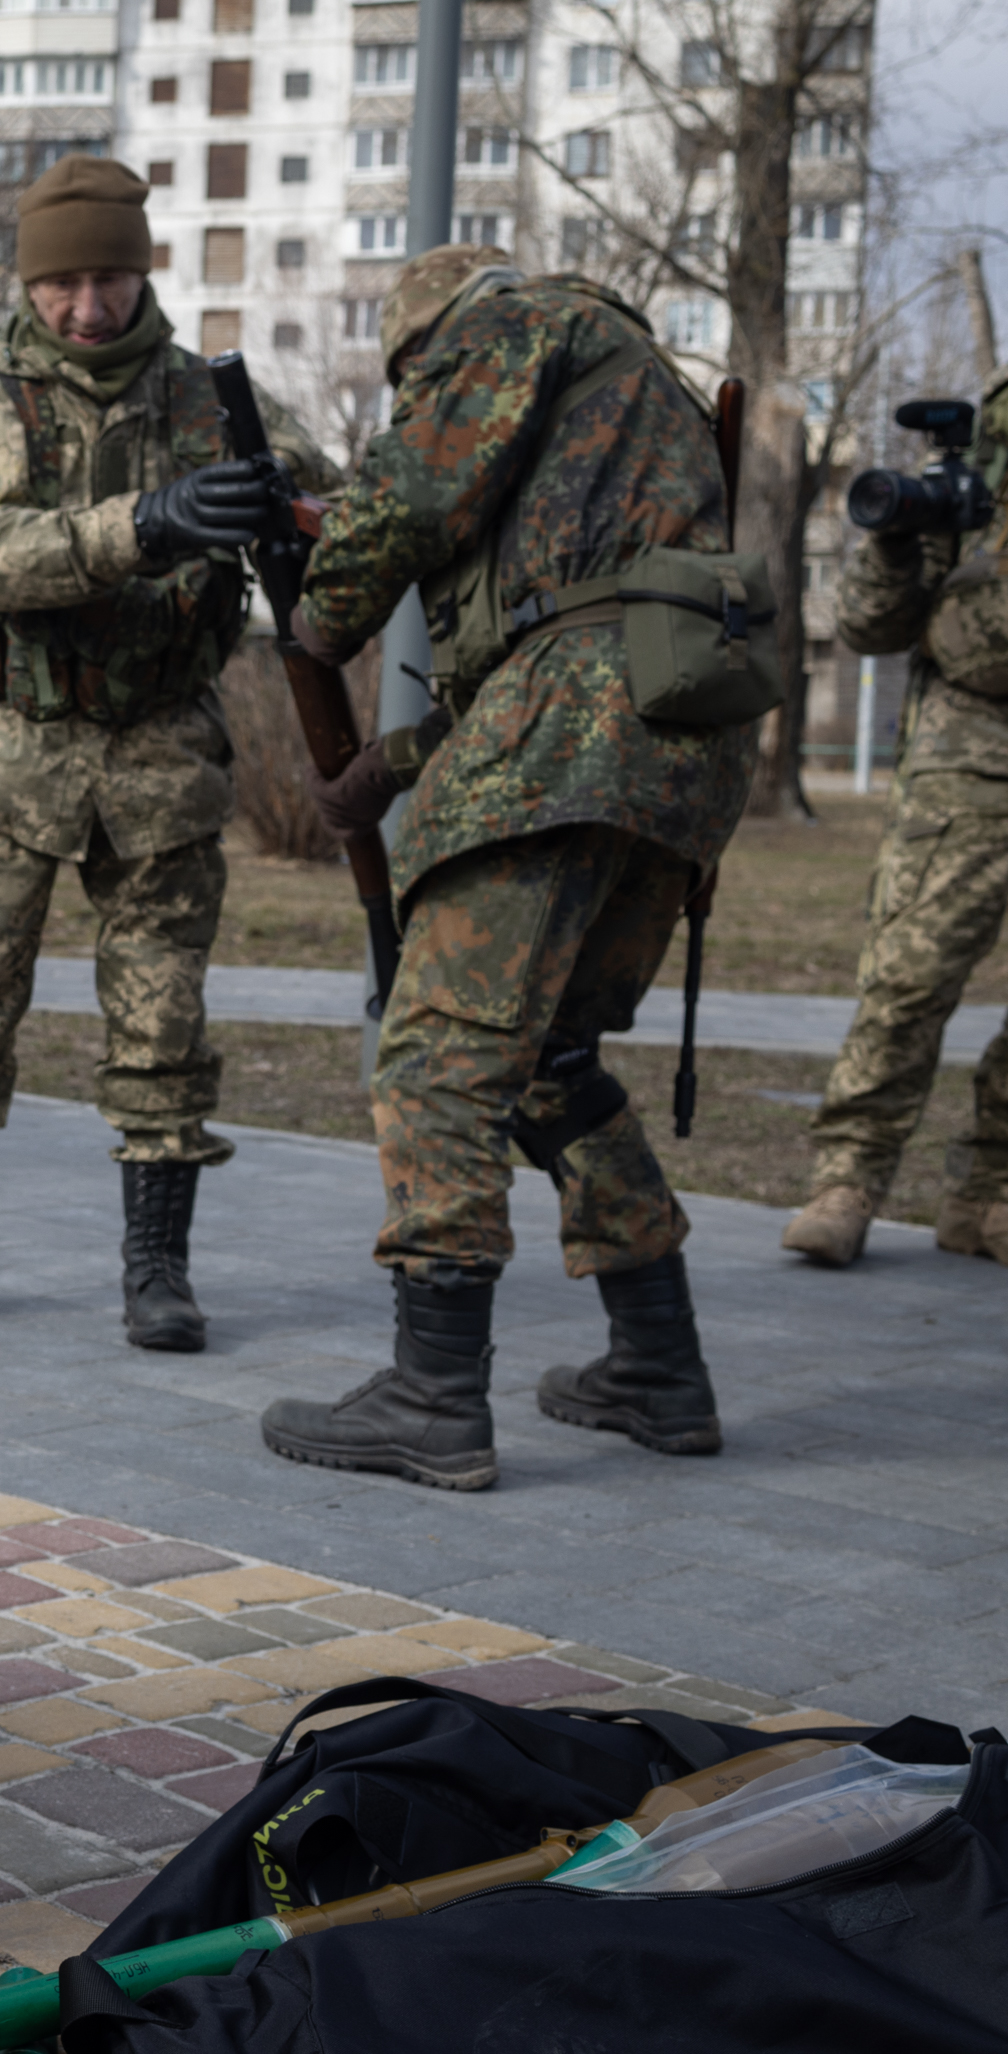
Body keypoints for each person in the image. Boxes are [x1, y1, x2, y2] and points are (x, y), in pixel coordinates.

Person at [258, 244, 760, 1492]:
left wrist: (315, 614)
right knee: (551, 1062)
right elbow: (561, 640)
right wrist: (385, 764)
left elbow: (411, 498)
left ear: (425, 344)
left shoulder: (507, 325)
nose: (414, 399)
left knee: (435, 1050)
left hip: (577, 730)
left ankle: (430, 1396)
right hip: (679, 743)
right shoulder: (639, 394)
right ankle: (659, 1366)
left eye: (406, 382)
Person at [0, 155, 336, 1349]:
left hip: (162, 752)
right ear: (31, 283)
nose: (85, 307)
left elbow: (328, 506)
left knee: (160, 1022)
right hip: (6, 754)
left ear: (142, 271)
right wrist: (152, 522)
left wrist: (293, 507)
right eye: (62, 282)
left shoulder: (206, 398)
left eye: (108, 277)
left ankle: (155, 1268)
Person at [782, 369, 1008, 1268]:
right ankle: (847, 1183)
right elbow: (871, 629)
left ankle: (988, 1195)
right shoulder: (976, 468)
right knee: (909, 979)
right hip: (969, 760)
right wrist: (894, 542)